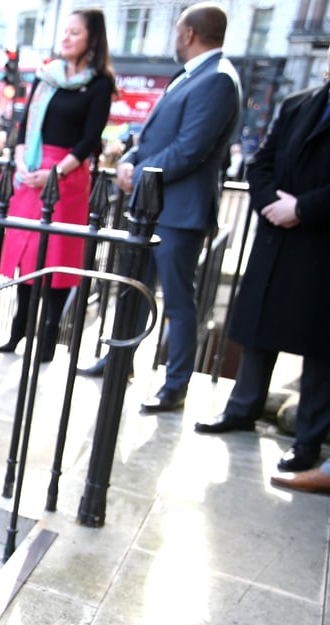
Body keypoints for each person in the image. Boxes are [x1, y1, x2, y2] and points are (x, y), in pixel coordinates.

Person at [194, 46, 330, 473]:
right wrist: (272, 203)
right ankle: (242, 408)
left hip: (321, 243)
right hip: (276, 238)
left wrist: (303, 209)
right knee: (258, 330)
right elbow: (260, 163)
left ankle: (308, 439)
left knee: (320, 348)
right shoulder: (298, 103)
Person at [113, 2, 241, 412]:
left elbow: (191, 149)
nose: (174, 38)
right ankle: (119, 362)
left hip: (180, 213)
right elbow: (153, 137)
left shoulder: (218, 79)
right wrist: (131, 159)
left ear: (188, 34)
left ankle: (175, 385)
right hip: (154, 207)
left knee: (179, 303)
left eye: (177, 31)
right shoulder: (191, 76)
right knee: (134, 290)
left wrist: (141, 171)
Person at [0, 9, 115, 362]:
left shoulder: (99, 83)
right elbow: (24, 125)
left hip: (68, 174)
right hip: (31, 170)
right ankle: (18, 328)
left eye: (75, 33)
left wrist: (56, 173)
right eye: (65, 31)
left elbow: (91, 139)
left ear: (93, 39)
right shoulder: (46, 76)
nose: (66, 38)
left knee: (59, 255)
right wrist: (21, 161)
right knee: (26, 253)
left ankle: (48, 335)